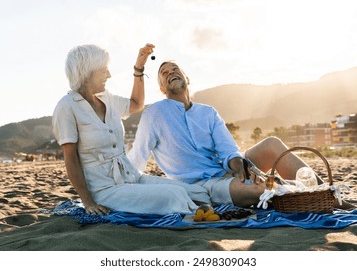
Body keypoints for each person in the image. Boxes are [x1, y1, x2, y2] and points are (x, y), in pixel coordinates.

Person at [128, 60, 355, 210]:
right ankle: (294, 195)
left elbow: (228, 151)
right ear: (161, 88)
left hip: (227, 168)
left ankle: (329, 197)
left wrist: (241, 168)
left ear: (187, 78)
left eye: (175, 69)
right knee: (260, 189)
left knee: (272, 144)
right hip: (202, 184)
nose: (171, 73)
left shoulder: (208, 112)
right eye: (164, 73)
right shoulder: (154, 114)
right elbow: (136, 159)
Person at [52, 46, 205, 216]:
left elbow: (136, 104)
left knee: (197, 192)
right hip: (105, 189)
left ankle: (202, 211)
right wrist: (88, 202)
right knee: (174, 197)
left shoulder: (107, 98)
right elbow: (71, 159)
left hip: (132, 176)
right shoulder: (67, 107)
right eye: (104, 70)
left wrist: (139, 67)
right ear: (88, 72)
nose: (108, 75)